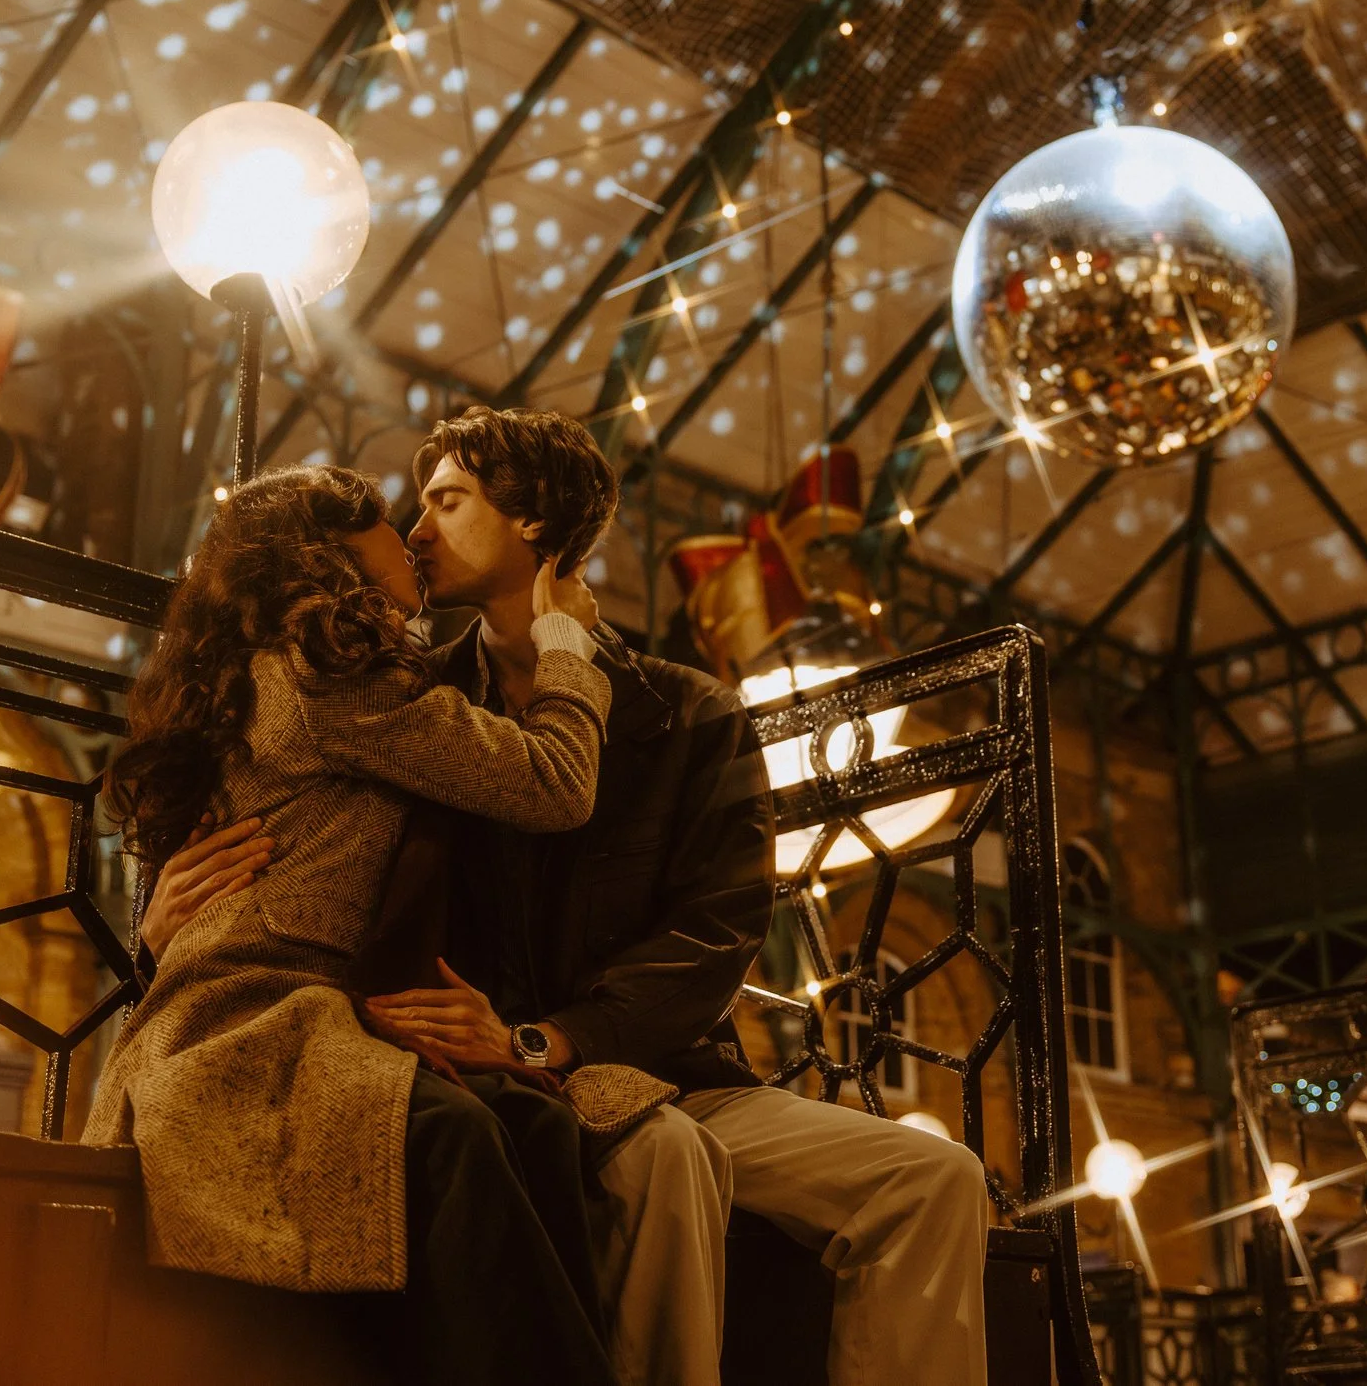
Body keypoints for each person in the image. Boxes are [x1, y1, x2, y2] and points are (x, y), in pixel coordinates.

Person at [139, 410, 995, 1386]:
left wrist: (550, 1036)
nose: (417, 530)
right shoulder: (399, 692)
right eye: (415, 504)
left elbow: (715, 929)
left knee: (937, 1177)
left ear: (537, 522)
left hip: (639, 1058)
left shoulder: (686, 710)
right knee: (665, 1160)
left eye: (445, 500)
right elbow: (294, 845)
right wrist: (171, 921)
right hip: (469, 1060)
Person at [90, 465, 656, 1386]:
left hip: (265, 1013)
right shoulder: (327, 672)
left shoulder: (261, 670)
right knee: (461, 1136)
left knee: (532, 1127)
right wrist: (562, 640)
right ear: (332, 557)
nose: (413, 542)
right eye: (394, 524)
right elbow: (555, 783)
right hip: (252, 1024)